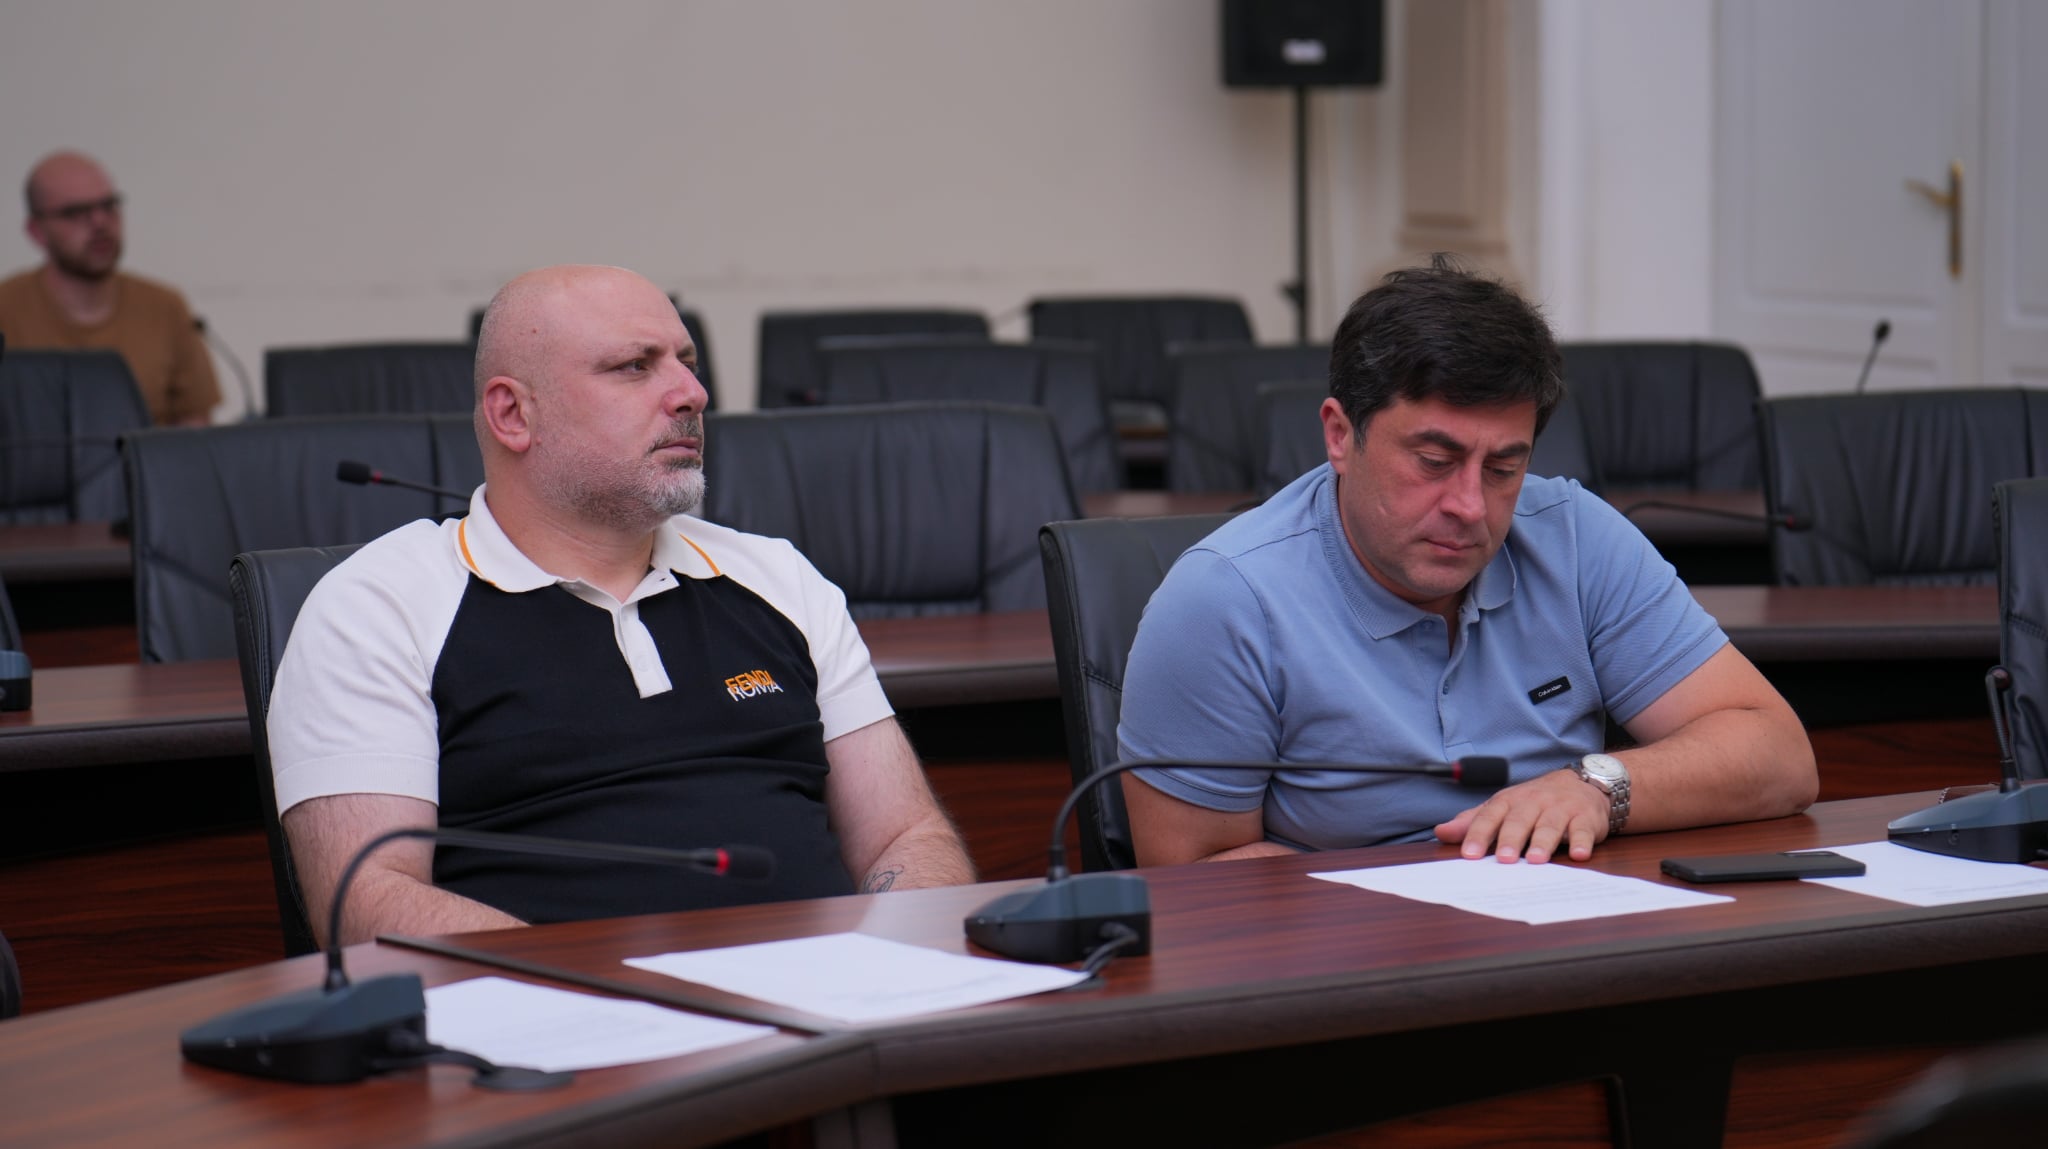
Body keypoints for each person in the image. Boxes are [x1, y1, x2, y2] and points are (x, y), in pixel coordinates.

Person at [267, 264, 974, 946]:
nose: (692, 393)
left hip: (833, 1003)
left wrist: (896, 967)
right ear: (514, 414)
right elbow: (367, 902)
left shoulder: (778, 576)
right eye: (635, 366)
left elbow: (904, 835)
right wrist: (626, 995)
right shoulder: (376, 608)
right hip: (559, 1016)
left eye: (686, 361)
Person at [1117, 257, 1817, 868]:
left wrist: (1596, 787)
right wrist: (1436, 905)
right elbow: (1192, 882)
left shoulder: (1576, 536)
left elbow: (1780, 756)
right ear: (1339, 435)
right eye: (1434, 461)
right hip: (1348, 961)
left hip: (1563, 933)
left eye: (1504, 469)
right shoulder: (1224, 600)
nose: (1470, 506)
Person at [0, 151, 219, 426]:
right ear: (36, 230)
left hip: (146, 455)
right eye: (75, 212)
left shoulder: (165, 306)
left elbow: (195, 426)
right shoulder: (6, 309)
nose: (100, 222)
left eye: (108, 205)